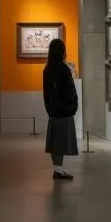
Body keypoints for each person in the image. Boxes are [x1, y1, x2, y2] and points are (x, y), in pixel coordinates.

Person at [42, 38, 79, 180]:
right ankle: (58, 170)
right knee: (61, 142)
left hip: (53, 112)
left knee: (55, 141)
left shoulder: (47, 69)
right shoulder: (64, 70)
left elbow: (46, 93)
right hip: (64, 111)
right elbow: (70, 91)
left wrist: (49, 108)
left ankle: (57, 169)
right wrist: (73, 106)